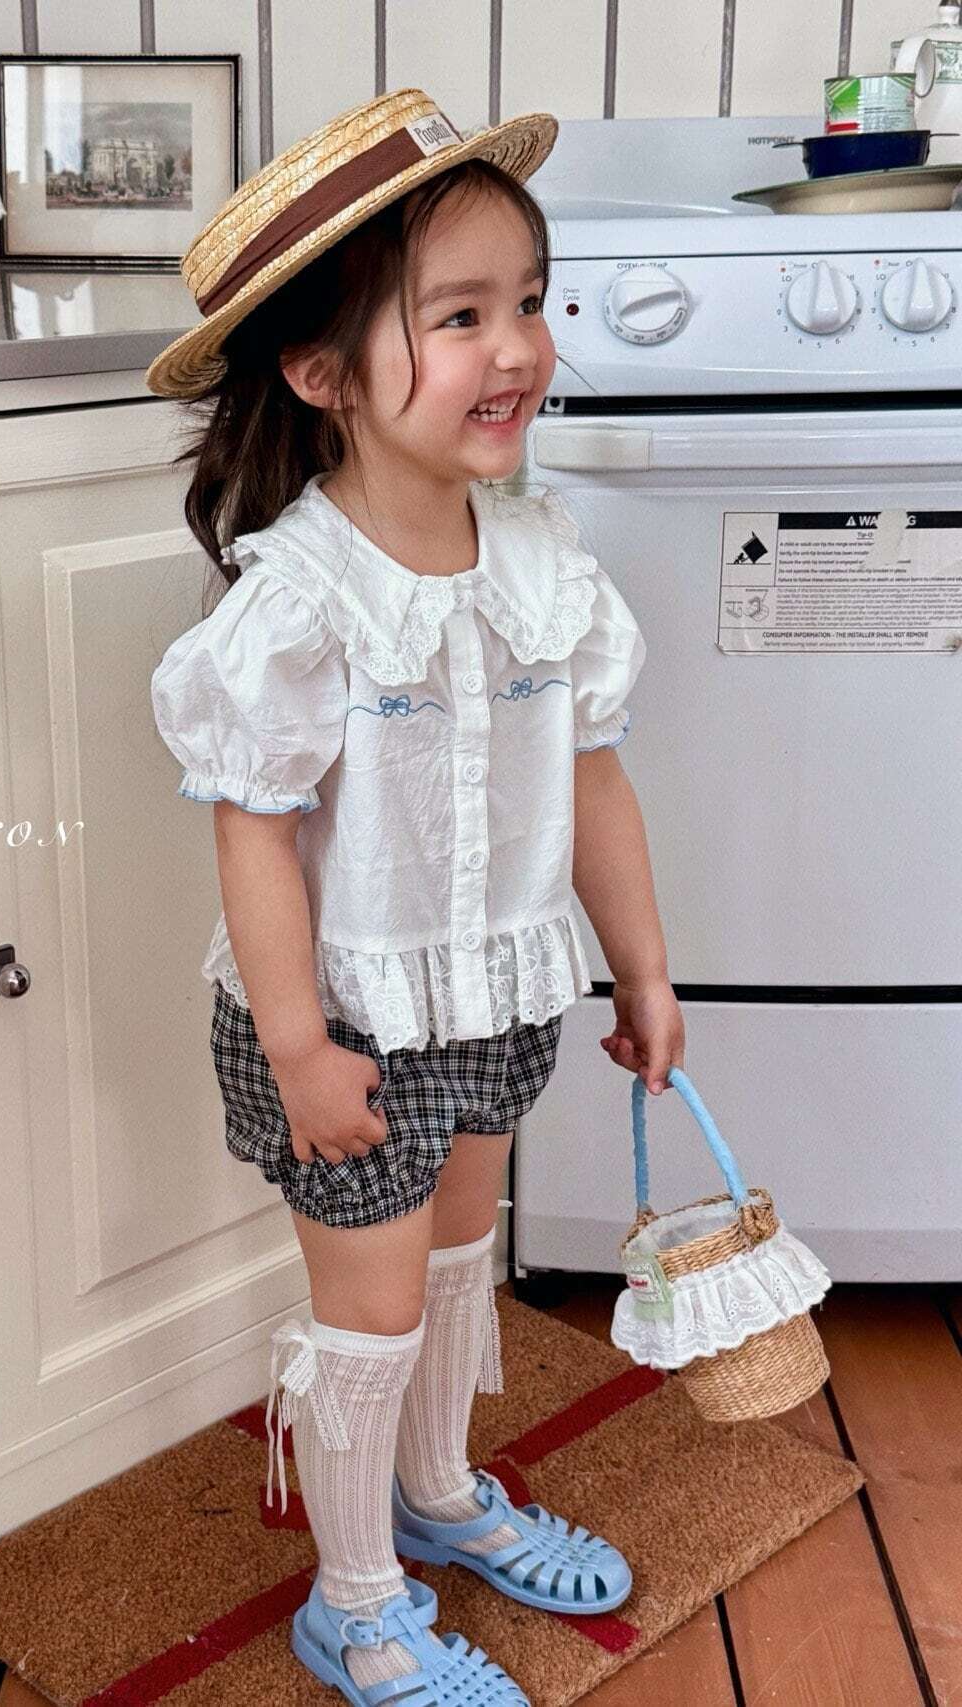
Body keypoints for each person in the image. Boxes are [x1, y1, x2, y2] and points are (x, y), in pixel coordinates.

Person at [147, 88, 686, 1707]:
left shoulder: (544, 562)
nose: (516, 348)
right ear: (320, 373)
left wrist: (644, 969)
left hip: (497, 994)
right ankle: (357, 1599)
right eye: (459, 317)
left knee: (461, 1262)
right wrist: (300, 1049)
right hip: (345, 1024)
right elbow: (254, 837)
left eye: (529, 301)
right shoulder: (299, 602)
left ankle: (441, 1494)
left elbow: (592, 782)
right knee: (369, 1317)